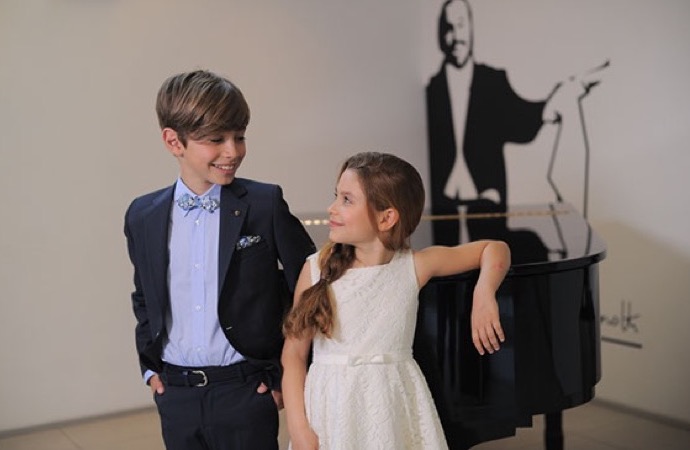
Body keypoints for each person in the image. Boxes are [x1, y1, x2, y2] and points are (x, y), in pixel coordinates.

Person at [124, 69, 316, 450]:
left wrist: (286, 373)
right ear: (173, 141)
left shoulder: (264, 204)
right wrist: (151, 369)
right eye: (216, 140)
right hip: (175, 394)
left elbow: (310, 288)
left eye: (239, 136)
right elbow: (144, 296)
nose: (233, 151)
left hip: (246, 390)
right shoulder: (142, 215)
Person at [280, 152, 511, 450]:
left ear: (387, 217)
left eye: (346, 200)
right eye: (336, 196)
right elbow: (293, 356)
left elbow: (495, 248)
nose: (332, 208)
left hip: (393, 409)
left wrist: (484, 293)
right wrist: (299, 428)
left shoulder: (414, 266)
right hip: (331, 411)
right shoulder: (315, 269)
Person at [427, 0, 603, 246]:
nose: (456, 36)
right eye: (449, 28)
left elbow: (521, 119)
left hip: (488, 200)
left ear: (471, 29)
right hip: (442, 208)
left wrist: (554, 102)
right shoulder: (431, 89)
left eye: (460, 25)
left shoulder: (493, 80)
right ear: (440, 34)